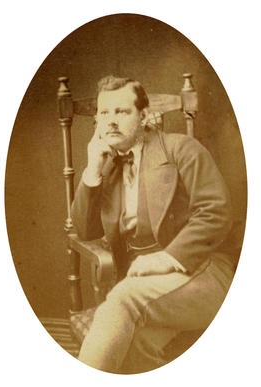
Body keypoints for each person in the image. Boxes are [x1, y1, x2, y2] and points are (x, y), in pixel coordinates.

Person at [71, 75, 236, 374]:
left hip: (201, 273)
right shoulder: (106, 165)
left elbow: (216, 212)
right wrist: (92, 171)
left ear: (143, 116)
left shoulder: (181, 149)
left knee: (122, 297)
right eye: (104, 113)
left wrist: (167, 257)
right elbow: (85, 231)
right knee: (135, 344)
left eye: (122, 112)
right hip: (148, 288)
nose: (111, 121)